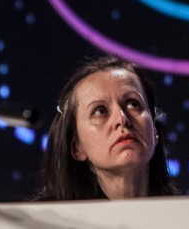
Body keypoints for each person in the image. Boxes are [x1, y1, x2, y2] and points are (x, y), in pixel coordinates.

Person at [32, 53, 176, 200]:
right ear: (76, 147)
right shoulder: (46, 215)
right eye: (100, 111)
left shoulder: (186, 212)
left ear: (154, 130)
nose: (122, 119)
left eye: (133, 104)